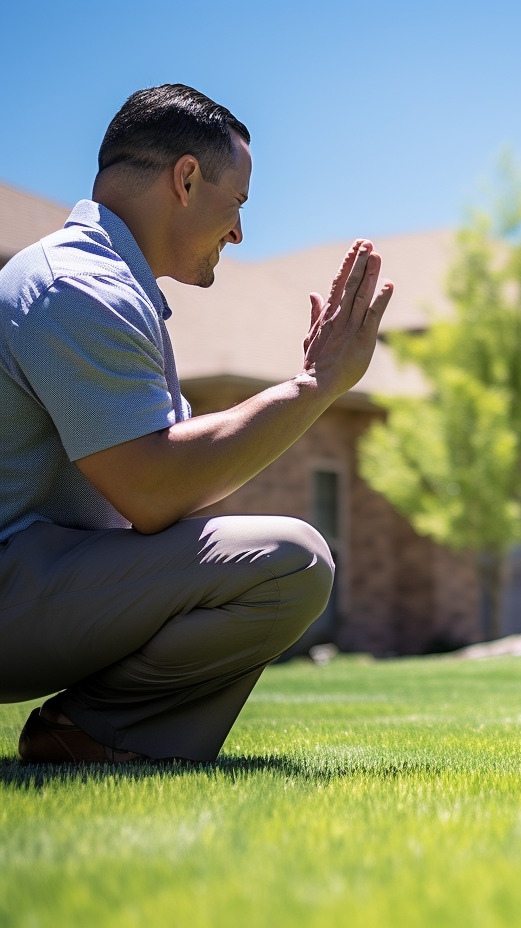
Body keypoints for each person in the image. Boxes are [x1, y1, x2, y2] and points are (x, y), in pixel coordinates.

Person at [0, 84, 394, 763]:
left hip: (33, 588)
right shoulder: (77, 288)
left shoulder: (113, 288)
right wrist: (315, 386)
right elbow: (156, 493)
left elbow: (179, 490)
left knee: (270, 558)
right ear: (186, 179)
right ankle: (92, 735)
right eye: (236, 202)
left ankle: (95, 737)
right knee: (290, 561)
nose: (239, 232)